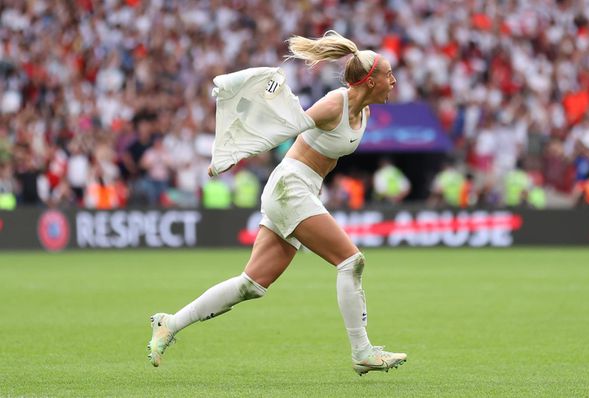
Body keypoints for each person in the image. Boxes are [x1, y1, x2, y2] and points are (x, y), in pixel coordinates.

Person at [146, 31, 407, 375]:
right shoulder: (334, 104)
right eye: (388, 74)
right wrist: (232, 152)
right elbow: (284, 125)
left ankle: (170, 322)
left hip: (302, 189)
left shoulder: (366, 112)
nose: (394, 80)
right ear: (370, 81)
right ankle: (362, 351)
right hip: (291, 187)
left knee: (251, 285)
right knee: (351, 261)